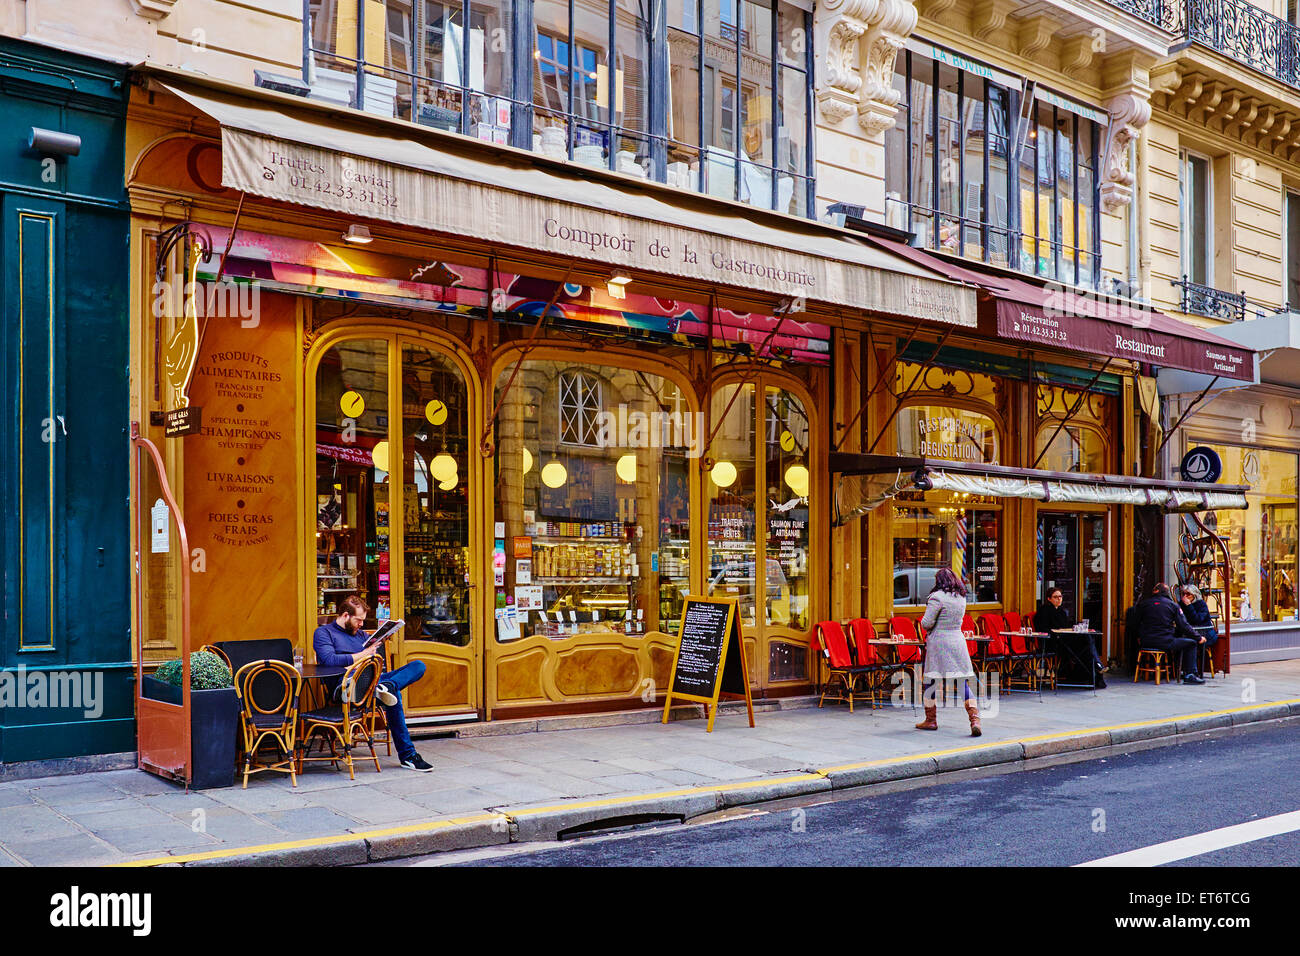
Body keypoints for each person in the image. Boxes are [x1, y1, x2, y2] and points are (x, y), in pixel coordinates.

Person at [313, 595, 433, 772]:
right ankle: (408, 756)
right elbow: (330, 660)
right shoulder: (324, 633)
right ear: (345, 615)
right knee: (394, 695)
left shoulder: (361, 635)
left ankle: (386, 687)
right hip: (346, 686)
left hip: (372, 682)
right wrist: (363, 655)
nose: (361, 625)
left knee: (418, 666)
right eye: (358, 620)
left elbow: (371, 661)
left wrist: (376, 649)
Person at [915, 567, 982, 736]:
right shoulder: (961, 598)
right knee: (961, 682)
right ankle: (975, 719)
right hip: (958, 641)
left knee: (930, 680)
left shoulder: (936, 597)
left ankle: (931, 720)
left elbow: (926, 623)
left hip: (939, 643)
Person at [1133, 583, 1206, 685]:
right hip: (1165, 642)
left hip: (1146, 642)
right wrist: (1198, 638)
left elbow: (1135, 623)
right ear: (1167, 593)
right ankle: (1190, 675)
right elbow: (1183, 626)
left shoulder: (1143, 604)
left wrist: (1139, 637)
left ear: (1155, 591)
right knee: (1191, 643)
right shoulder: (1173, 605)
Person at [1035, 587, 1106, 688]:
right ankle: (1097, 667)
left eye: (1060, 596)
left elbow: (1066, 626)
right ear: (1049, 599)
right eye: (1055, 597)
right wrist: (1058, 632)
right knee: (1085, 642)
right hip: (1053, 642)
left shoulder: (1062, 611)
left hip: (1064, 640)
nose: (1059, 599)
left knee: (1086, 640)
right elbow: (1042, 628)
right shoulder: (1044, 611)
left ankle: (1093, 672)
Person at [1179, 584, 1218, 676]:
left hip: (1205, 634)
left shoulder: (1201, 605)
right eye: (1183, 594)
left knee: (1191, 643)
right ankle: (1181, 670)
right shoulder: (1181, 605)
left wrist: (1189, 606)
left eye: (1188, 594)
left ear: (1194, 595)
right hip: (1190, 633)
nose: (1185, 597)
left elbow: (1197, 619)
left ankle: (1193, 672)